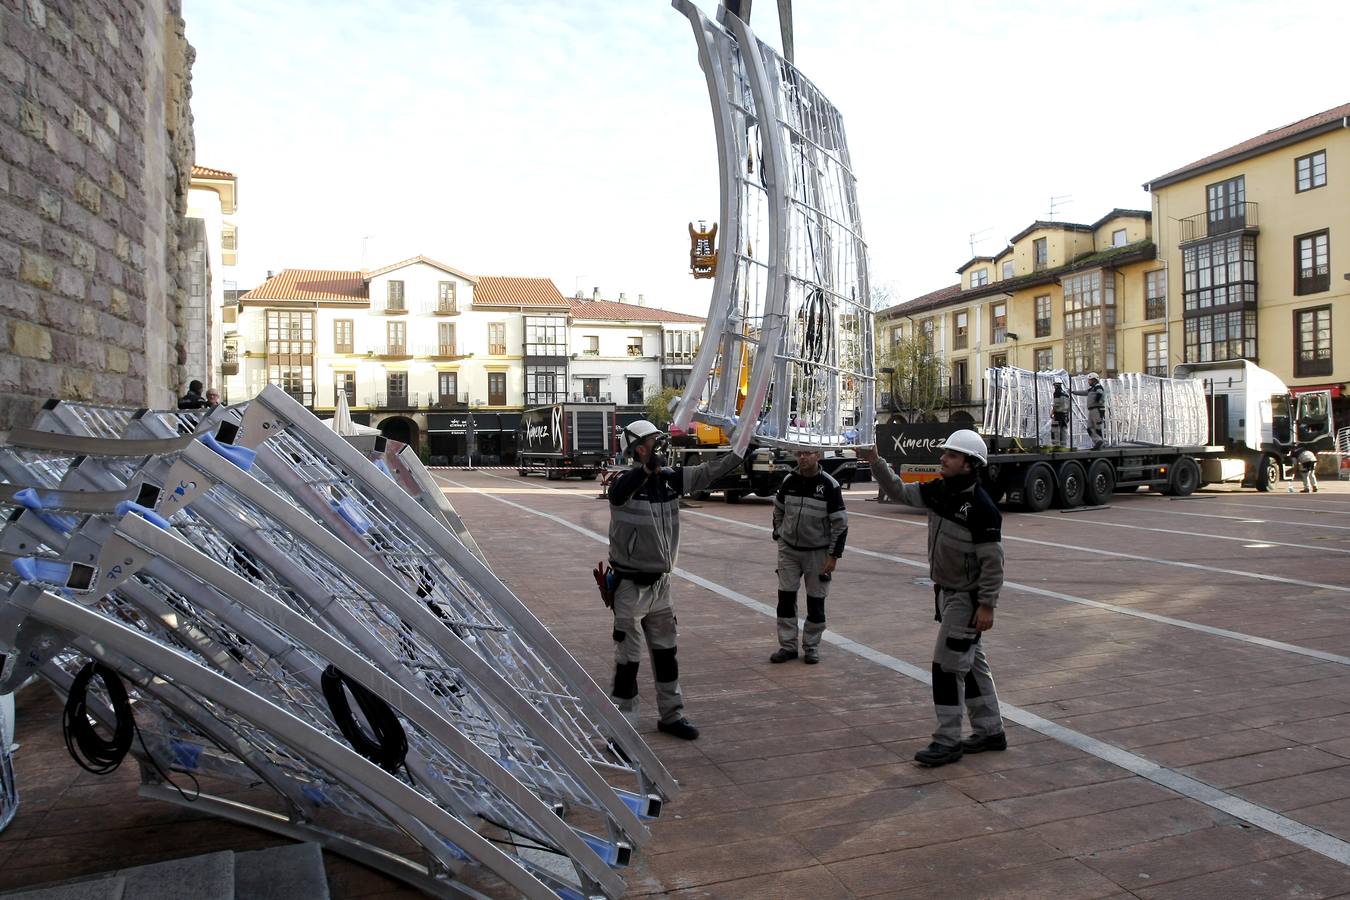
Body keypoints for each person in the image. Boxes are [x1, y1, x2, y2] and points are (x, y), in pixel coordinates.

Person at [858, 429, 1006, 767]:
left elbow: (993, 562)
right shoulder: (938, 491)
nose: (943, 458)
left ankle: (948, 740)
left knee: (946, 667)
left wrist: (987, 604)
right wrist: (874, 461)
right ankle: (990, 731)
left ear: (970, 465)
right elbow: (897, 490)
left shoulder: (982, 509)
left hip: (967, 600)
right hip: (948, 594)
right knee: (970, 666)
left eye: (952, 455)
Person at [607, 420, 743, 740]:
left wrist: (740, 451)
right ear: (640, 449)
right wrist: (646, 470)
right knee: (628, 661)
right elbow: (618, 494)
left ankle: (672, 715)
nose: (663, 447)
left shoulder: (669, 481)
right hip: (630, 587)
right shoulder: (624, 482)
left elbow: (709, 472)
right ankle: (623, 729)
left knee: (667, 654)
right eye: (656, 442)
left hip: (661, 588)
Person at [770, 448, 848, 665]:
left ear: (819, 456)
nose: (802, 457)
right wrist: (779, 534)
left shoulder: (829, 485)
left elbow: (840, 524)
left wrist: (833, 556)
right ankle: (787, 646)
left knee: (815, 602)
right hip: (789, 551)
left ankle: (811, 646)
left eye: (808, 453)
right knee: (785, 599)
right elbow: (778, 509)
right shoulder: (789, 480)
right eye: (799, 454)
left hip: (817, 553)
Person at [1071, 373, 1105, 449]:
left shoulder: (1097, 387)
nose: (1088, 381)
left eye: (1089, 380)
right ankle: (1098, 441)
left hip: (1097, 409)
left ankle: (1100, 443)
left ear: (1094, 380)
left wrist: (1097, 400)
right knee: (1089, 427)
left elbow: (1100, 393)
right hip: (1092, 410)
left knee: (1097, 427)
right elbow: (1084, 392)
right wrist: (1073, 392)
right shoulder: (1092, 389)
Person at [1050, 381, 1070, 446]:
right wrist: (1067, 415)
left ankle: (1056, 445)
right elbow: (1069, 406)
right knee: (1063, 429)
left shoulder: (1057, 392)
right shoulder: (1066, 394)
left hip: (1058, 414)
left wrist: (1052, 412)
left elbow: (1056, 404)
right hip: (1065, 414)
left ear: (1056, 385)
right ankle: (1063, 445)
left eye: (1054, 386)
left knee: (1055, 429)